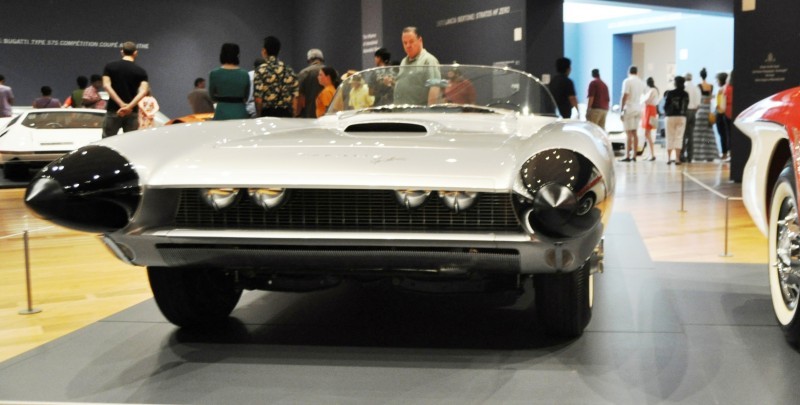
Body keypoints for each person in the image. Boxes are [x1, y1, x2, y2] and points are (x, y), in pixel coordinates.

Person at [101, 41, 149, 137]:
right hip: (132, 112)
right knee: (130, 143)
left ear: (122, 52)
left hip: (113, 109)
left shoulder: (110, 67)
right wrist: (129, 107)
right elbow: (144, 91)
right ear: (135, 53)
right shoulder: (141, 71)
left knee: (107, 141)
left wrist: (121, 105)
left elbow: (106, 86)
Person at [393, 26, 440, 105]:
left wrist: (431, 114)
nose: (408, 45)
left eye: (411, 41)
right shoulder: (403, 62)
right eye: (405, 43)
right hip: (399, 113)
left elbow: (435, 87)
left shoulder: (429, 60)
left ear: (420, 40)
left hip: (417, 114)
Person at [253, 36, 298, 118]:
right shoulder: (289, 69)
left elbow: (258, 99)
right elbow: (295, 96)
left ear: (264, 51)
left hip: (268, 114)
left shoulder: (261, 70)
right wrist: (294, 114)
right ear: (279, 51)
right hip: (286, 114)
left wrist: (258, 115)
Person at [208, 43, 250, 121]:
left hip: (221, 112)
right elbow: (246, 97)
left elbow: (212, 97)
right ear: (237, 55)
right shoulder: (245, 74)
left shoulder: (214, 74)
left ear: (222, 54)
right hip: (240, 112)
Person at [618, 66, 647, 162]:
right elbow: (645, 95)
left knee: (628, 133)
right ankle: (634, 155)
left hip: (629, 108)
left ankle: (627, 155)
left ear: (629, 72)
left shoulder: (627, 81)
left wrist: (621, 109)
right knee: (635, 132)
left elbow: (624, 95)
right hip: (638, 108)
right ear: (637, 72)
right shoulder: (641, 82)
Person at [691, 68, 718, 162]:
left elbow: (699, 100)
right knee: (708, 136)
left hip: (699, 113)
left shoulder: (698, 86)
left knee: (698, 135)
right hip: (707, 114)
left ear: (700, 76)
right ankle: (709, 154)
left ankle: (698, 155)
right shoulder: (711, 86)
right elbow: (710, 98)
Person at [663, 76, 690, 165]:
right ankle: (677, 159)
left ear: (675, 83)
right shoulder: (685, 94)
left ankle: (669, 158)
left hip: (670, 116)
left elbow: (665, 105)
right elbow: (686, 106)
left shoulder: (670, 93)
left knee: (669, 136)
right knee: (679, 137)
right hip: (681, 117)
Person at [296, 49, 325, 118]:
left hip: (309, 116)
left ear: (309, 60)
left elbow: (299, 96)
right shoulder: (333, 72)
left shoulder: (304, 73)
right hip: (328, 116)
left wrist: (296, 114)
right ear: (322, 59)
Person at [681, 72, 701, 162]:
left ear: (684, 78)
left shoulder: (683, 87)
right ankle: (690, 156)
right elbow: (698, 104)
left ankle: (682, 155)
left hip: (685, 112)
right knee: (691, 135)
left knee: (683, 135)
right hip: (693, 112)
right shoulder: (696, 88)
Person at [715, 71, 733, 161]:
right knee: (728, 134)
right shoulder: (731, 88)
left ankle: (725, 153)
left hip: (722, 113)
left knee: (723, 134)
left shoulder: (722, 89)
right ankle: (728, 153)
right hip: (729, 112)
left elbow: (719, 103)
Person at [641, 77, 659, 160]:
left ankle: (652, 154)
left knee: (648, 133)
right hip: (650, 110)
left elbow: (647, 101)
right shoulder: (654, 90)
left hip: (650, 111)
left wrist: (643, 98)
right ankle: (650, 153)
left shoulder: (652, 90)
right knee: (647, 134)